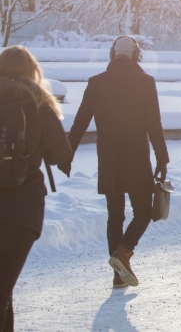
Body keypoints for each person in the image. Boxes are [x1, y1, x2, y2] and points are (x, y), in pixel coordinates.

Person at [62, 36, 169, 288]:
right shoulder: (145, 82)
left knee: (115, 216)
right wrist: (162, 158)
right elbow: (154, 124)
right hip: (136, 158)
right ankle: (124, 252)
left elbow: (80, 122)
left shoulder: (96, 82)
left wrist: (68, 155)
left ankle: (118, 275)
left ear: (113, 54)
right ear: (136, 55)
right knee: (143, 212)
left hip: (108, 159)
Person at [0, 46, 72, 331]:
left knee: (5, 289)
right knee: (4, 285)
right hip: (22, 213)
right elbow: (59, 155)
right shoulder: (39, 102)